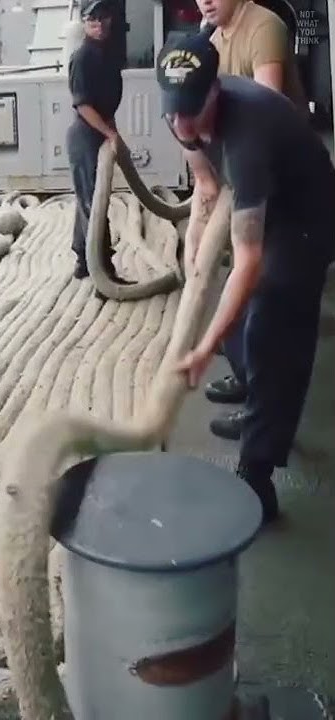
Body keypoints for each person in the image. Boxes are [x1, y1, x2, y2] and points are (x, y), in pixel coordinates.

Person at [156, 32, 335, 522]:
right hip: (266, 199)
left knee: (274, 323)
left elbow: (250, 261)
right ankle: (253, 390)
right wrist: (194, 250)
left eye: (191, 110)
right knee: (232, 314)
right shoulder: (180, 113)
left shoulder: (248, 134)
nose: (181, 123)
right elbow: (205, 183)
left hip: (306, 214)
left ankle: (257, 473)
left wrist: (201, 348)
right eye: (173, 111)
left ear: (215, 90)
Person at [196, 0, 309, 440]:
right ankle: (248, 379)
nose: (205, 0)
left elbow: (265, 113)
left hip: (285, 182)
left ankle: (263, 417)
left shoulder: (263, 28)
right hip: (249, 175)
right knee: (241, 299)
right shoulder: (214, 38)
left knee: (264, 304)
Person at [66, 0, 129, 283]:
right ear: (84, 22)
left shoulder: (109, 57)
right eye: (92, 18)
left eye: (103, 17)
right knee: (95, 202)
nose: (99, 23)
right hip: (84, 135)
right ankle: (103, 269)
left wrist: (112, 132)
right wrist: (110, 133)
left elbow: (106, 104)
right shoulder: (82, 58)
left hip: (100, 131)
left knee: (89, 198)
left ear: (111, 20)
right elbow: (83, 105)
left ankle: (83, 261)